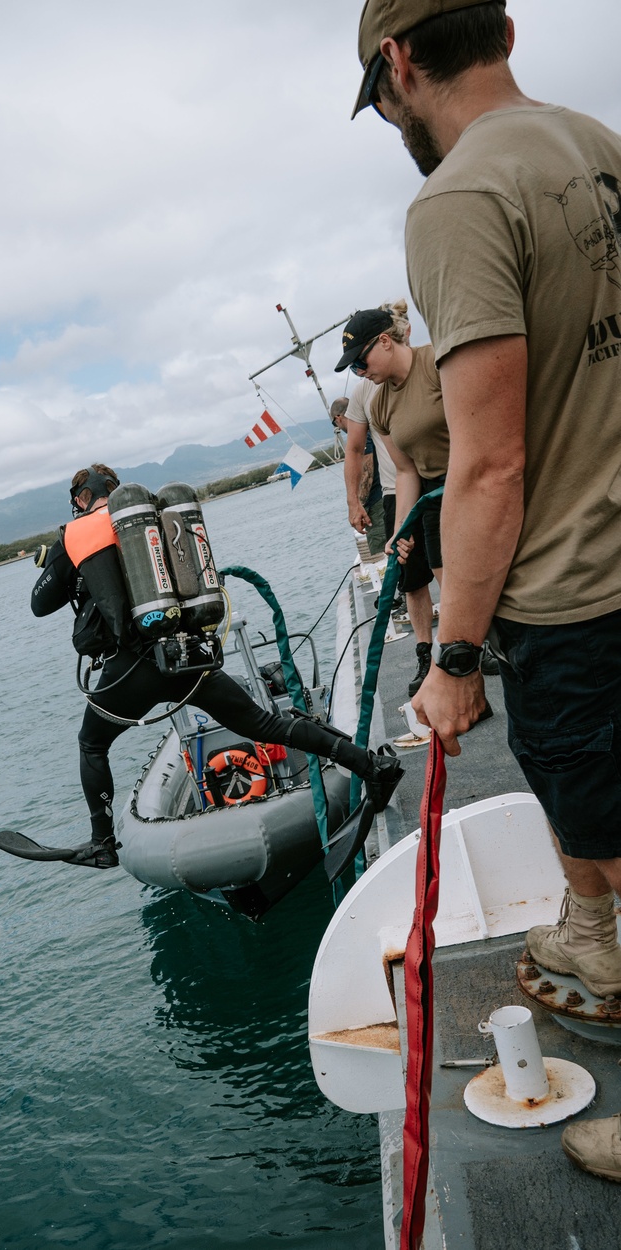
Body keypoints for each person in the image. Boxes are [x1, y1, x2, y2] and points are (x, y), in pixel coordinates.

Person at [351, 0, 621, 1179]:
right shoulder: (595, 145)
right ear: (502, 28)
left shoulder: (457, 196)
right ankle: (595, 937)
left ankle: (599, 927)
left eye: (381, 93)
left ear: (398, 63)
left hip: (574, 590)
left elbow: (492, 459)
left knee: (611, 831)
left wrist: (453, 660)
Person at [31, 464, 404, 867]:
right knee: (266, 724)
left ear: (82, 498)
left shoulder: (77, 534)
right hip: (189, 656)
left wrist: (56, 555)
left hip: (132, 667)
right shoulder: (153, 520)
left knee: (92, 743)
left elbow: (40, 604)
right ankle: (372, 766)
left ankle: (102, 841)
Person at [335, 303, 446, 699]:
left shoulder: (437, 362)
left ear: (385, 341)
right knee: (431, 570)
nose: (359, 373)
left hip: (468, 478)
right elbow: (405, 470)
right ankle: (441, 658)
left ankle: (478, 649)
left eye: (360, 363)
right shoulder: (377, 403)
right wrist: (400, 529)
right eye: (353, 369)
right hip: (425, 488)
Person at [330, 395, 387, 557]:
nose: (338, 427)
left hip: (377, 503)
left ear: (338, 418)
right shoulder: (372, 428)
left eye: (335, 424)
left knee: (392, 552)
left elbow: (367, 473)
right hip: (386, 495)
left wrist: (358, 507)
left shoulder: (360, 435)